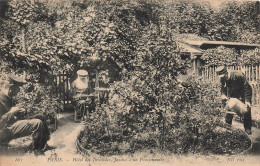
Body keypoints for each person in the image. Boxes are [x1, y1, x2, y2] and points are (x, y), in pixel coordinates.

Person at [0, 74, 52, 155]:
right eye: (18, 88)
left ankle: (44, 144)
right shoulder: (1, 99)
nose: (19, 91)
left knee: (41, 116)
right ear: (11, 87)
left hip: (12, 124)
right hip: (5, 130)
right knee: (37, 123)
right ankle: (37, 151)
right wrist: (11, 112)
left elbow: (14, 114)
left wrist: (23, 111)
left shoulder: (9, 97)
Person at [216, 66, 252, 134]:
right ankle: (228, 126)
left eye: (224, 76)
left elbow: (247, 87)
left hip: (243, 92)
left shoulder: (238, 75)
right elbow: (222, 88)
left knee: (247, 108)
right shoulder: (222, 78)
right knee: (229, 106)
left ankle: (247, 128)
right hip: (233, 92)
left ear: (226, 73)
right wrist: (223, 95)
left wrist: (247, 100)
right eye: (221, 77)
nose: (223, 78)